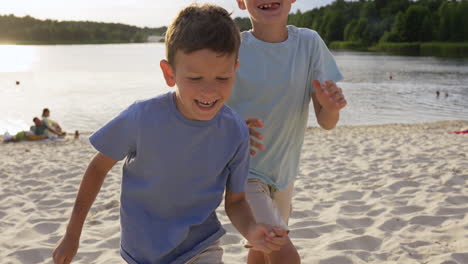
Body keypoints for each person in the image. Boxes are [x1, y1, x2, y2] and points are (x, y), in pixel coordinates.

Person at [52, 4, 287, 264]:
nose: (209, 91)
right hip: (142, 252)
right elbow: (98, 168)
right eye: (195, 78)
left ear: (235, 69)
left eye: (222, 78)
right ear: (169, 73)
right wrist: (72, 234)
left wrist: (252, 230)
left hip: (201, 245)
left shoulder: (236, 131)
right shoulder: (141, 117)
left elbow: (237, 201)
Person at [227, 1, 347, 263]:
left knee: (261, 250)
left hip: (284, 174)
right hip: (243, 171)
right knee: (283, 252)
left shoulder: (309, 43)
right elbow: (205, 103)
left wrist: (331, 108)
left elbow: (326, 122)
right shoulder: (231, 46)